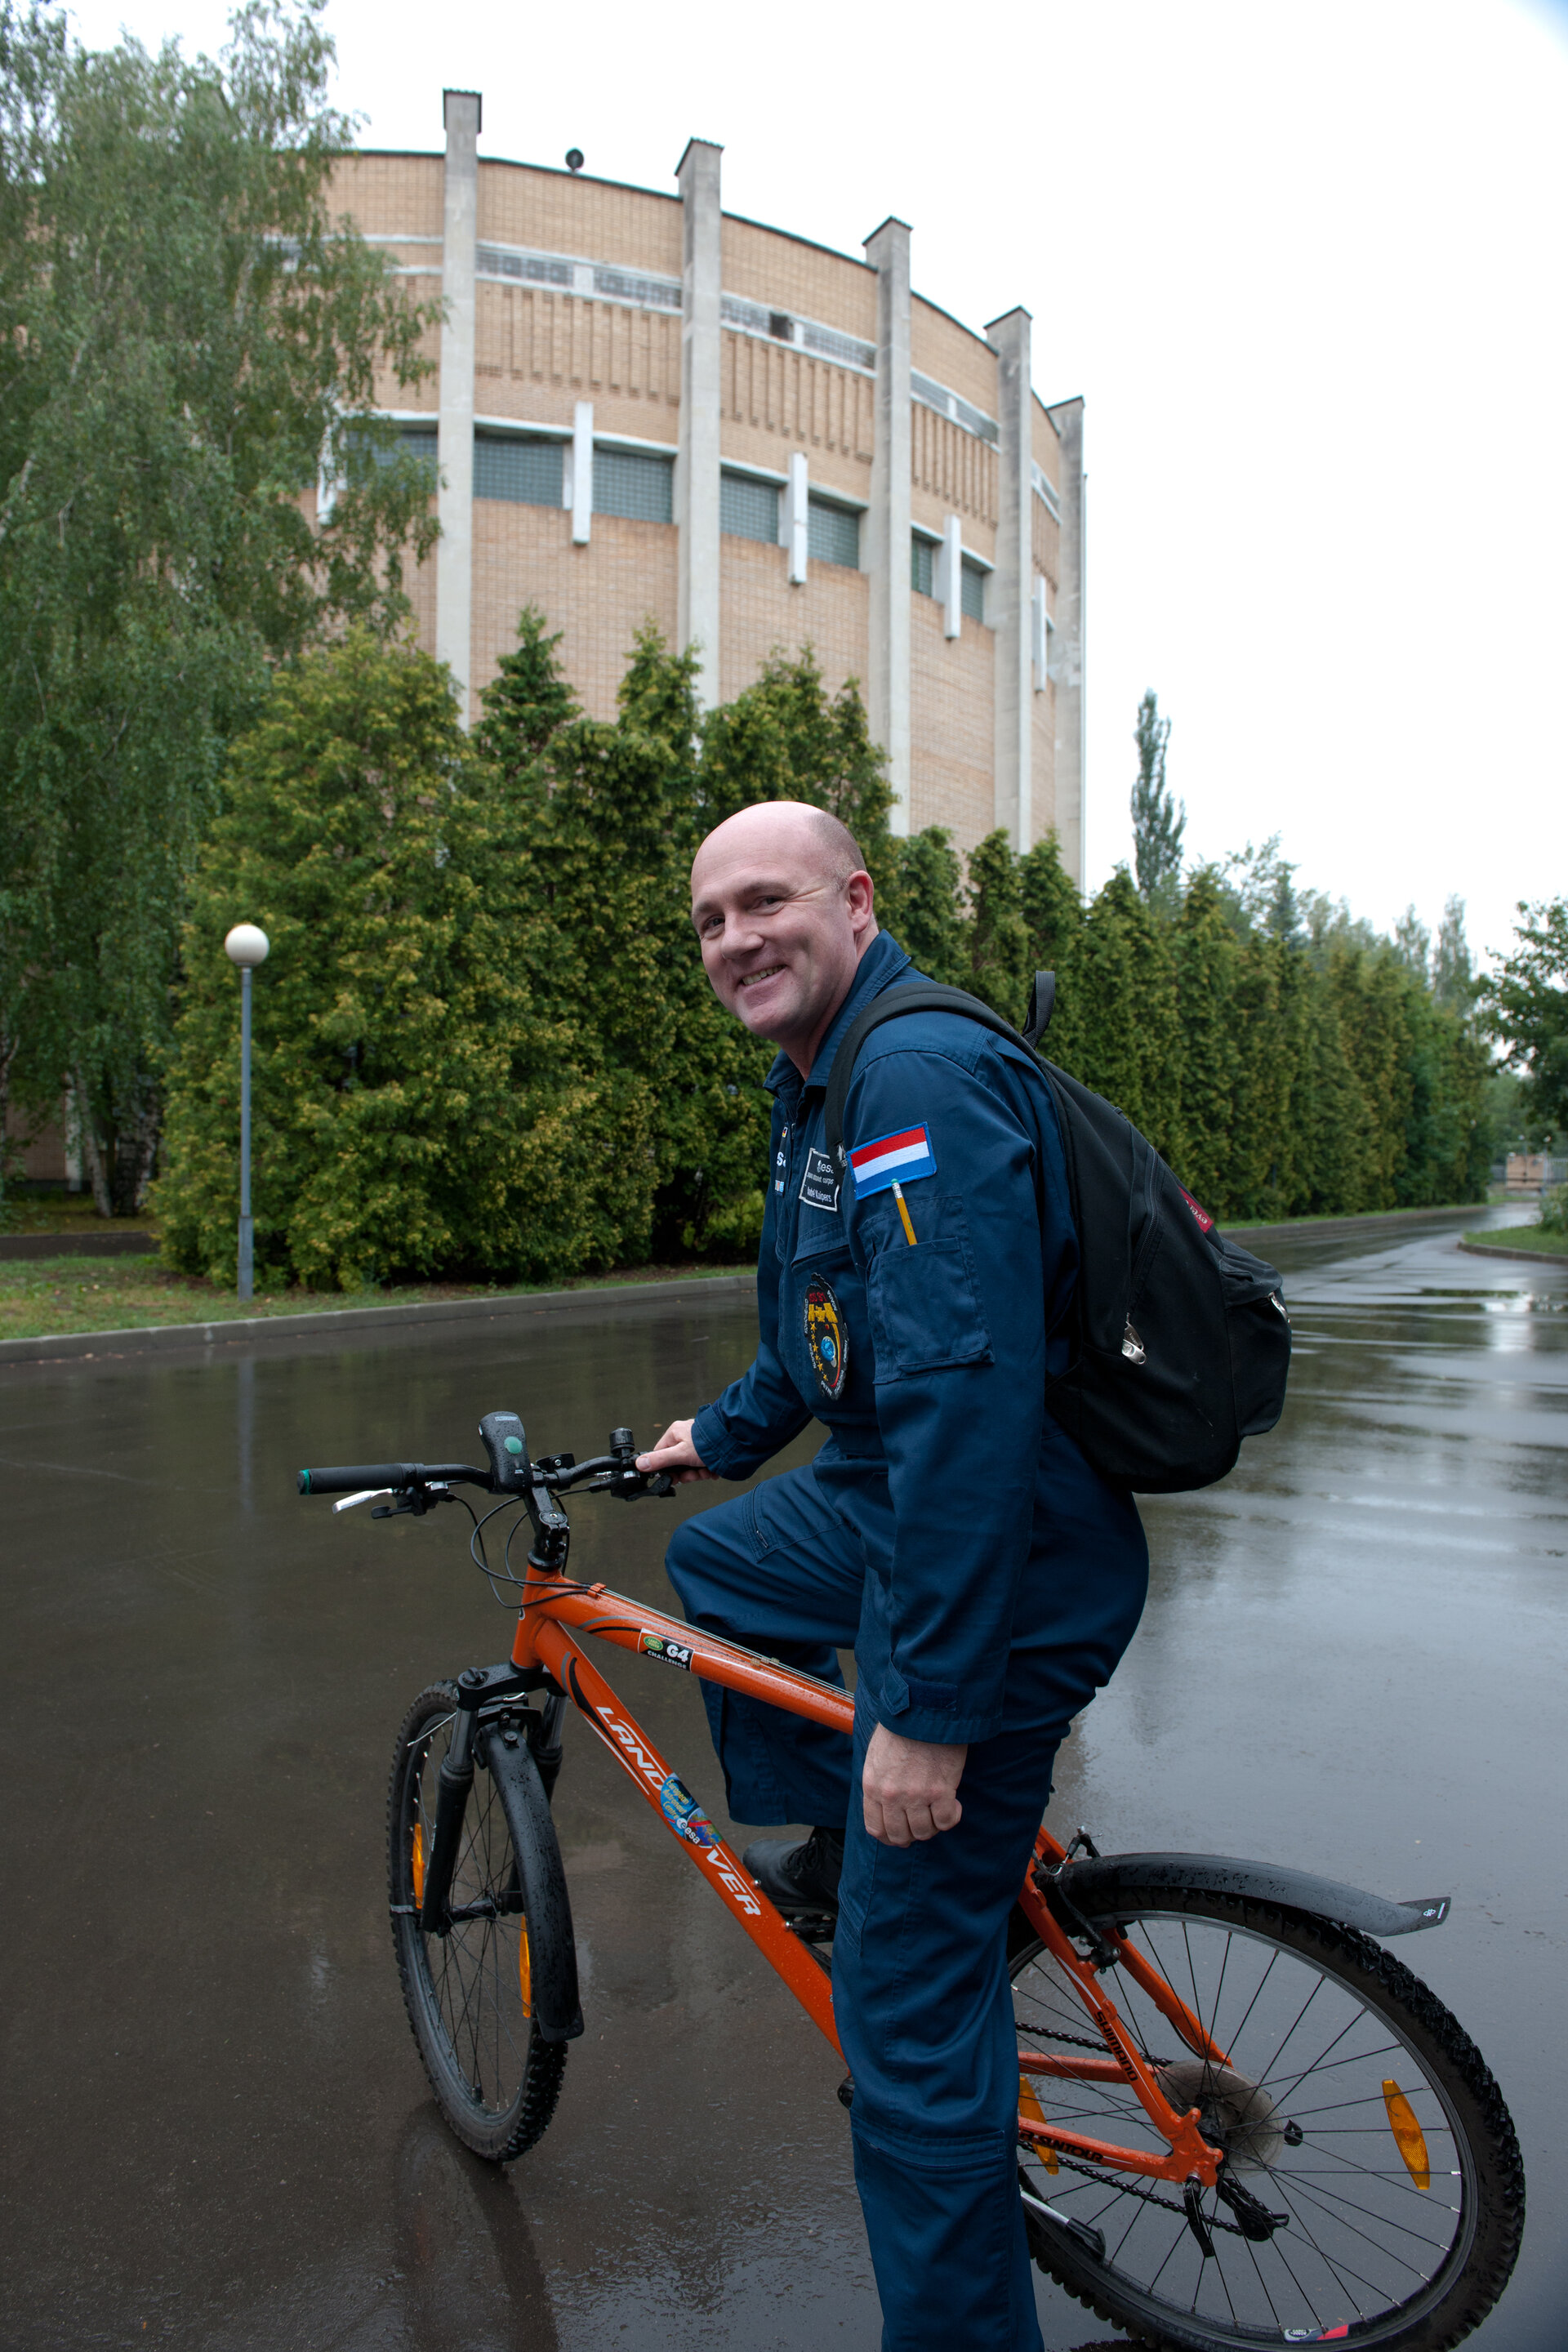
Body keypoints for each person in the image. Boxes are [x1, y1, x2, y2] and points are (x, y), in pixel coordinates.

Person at [636, 800, 1148, 2352]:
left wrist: (924, 1714)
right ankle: (860, 1864)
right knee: (712, 1561)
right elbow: (825, 1326)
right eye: (713, 918)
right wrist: (716, 1437)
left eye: (768, 902)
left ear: (857, 901)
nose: (737, 939)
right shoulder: (818, 1079)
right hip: (884, 1498)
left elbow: (962, 1406)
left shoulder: (911, 1075)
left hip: (1010, 1549)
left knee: (907, 2025)